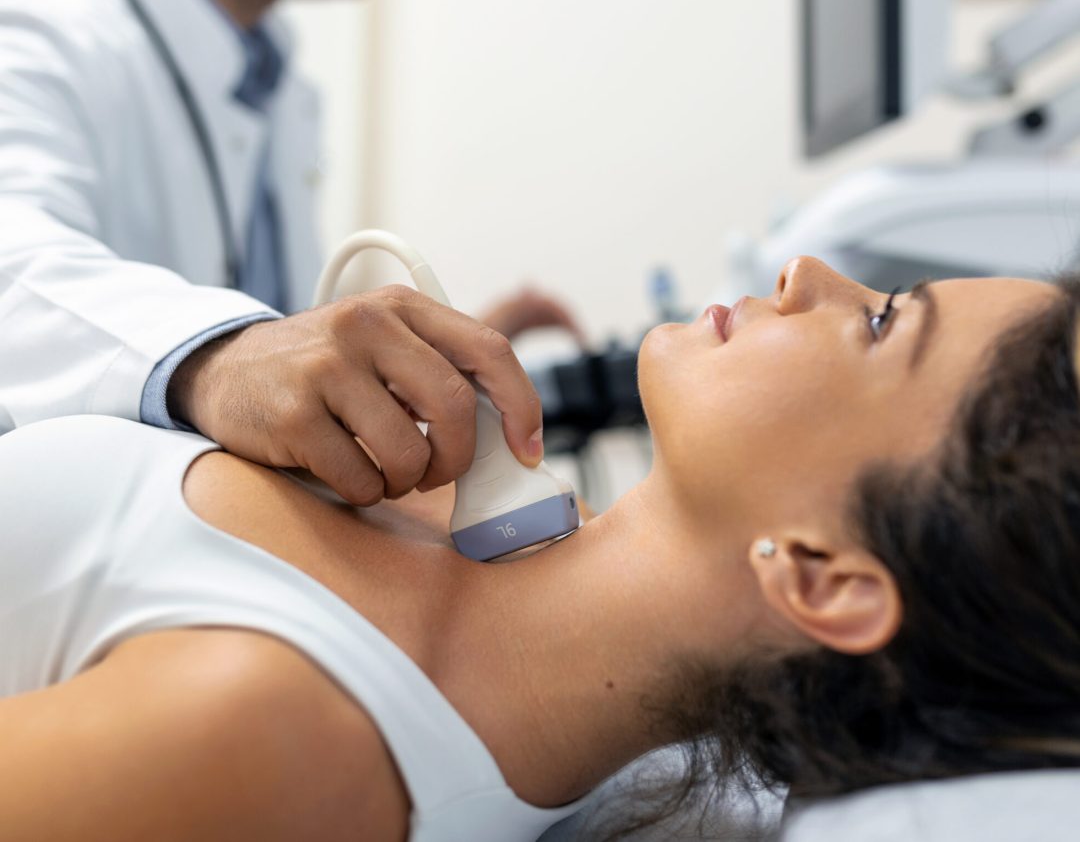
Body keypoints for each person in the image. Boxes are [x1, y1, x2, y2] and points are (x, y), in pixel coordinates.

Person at [2, 256, 1078, 841]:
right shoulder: (440, 493)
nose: (808, 275)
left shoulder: (284, 742)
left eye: (884, 321)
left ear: (823, 573)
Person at [0, 0, 578, 506]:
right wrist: (221, 357)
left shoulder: (278, 85)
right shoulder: (33, 45)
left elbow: (288, 378)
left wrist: (425, 384)